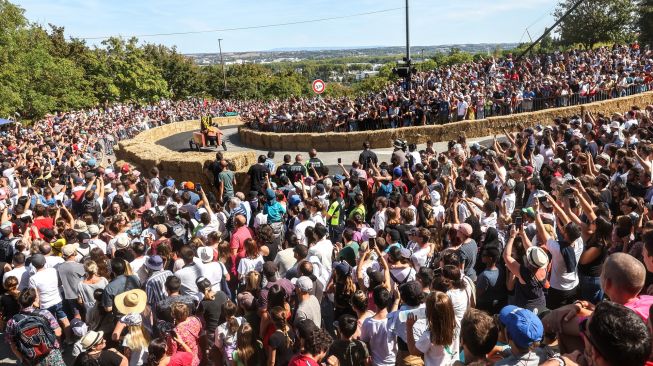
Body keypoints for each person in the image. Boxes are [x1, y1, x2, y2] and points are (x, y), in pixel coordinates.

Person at [5, 288, 65, 365]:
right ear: (34, 300)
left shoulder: (12, 322)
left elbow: (12, 345)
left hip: (31, 358)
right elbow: (58, 332)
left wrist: (22, 359)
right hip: (51, 353)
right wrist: (57, 347)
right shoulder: (45, 314)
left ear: (19, 302)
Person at [407, 291, 457, 366]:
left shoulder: (429, 336)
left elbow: (413, 351)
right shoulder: (455, 327)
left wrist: (409, 327)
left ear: (430, 313)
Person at [360, 286, 397, 366]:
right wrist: (397, 299)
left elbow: (364, 343)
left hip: (376, 363)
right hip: (394, 362)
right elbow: (394, 312)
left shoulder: (368, 323)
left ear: (374, 301)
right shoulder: (394, 319)